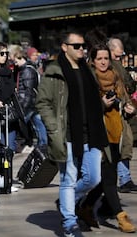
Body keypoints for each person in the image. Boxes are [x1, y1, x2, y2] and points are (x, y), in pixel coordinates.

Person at [36, 31, 109, 237]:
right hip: (66, 134)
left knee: (93, 178)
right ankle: (70, 223)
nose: (81, 49)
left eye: (83, 46)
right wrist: (53, 128)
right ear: (65, 47)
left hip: (92, 133)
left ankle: (65, 200)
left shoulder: (88, 70)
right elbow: (42, 102)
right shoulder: (54, 70)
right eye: (76, 46)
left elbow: (93, 102)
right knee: (68, 179)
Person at [75, 43, 136, 233]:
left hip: (117, 133)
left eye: (106, 58)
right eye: (99, 58)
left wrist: (129, 108)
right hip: (97, 135)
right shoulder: (87, 79)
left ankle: (85, 207)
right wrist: (100, 104)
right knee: (109, 179)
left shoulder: (116, 77)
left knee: (104, 179)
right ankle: (121, 217)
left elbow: (126, 100)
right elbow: (82, 110)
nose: (103, 62)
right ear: (92, 61)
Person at [107, 37, 137, 193]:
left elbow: (127, 88)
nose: (118, 59)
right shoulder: (110, 66)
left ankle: (125, 178)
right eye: (117, 55)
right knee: (117, 146)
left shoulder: (114, 66)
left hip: (120, 109)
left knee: (124, 144)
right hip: (111, 112)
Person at [12, 46, 48, 150]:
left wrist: (22, 107)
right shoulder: (25, 69)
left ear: (19, 57)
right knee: (39, 124)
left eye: (15, 60)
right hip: (32, 103)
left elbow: (28, 92)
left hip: (28, 104)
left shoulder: (27, 70)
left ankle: (41, 144)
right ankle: (43, 144)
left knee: (17, 124)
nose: (14, 63)